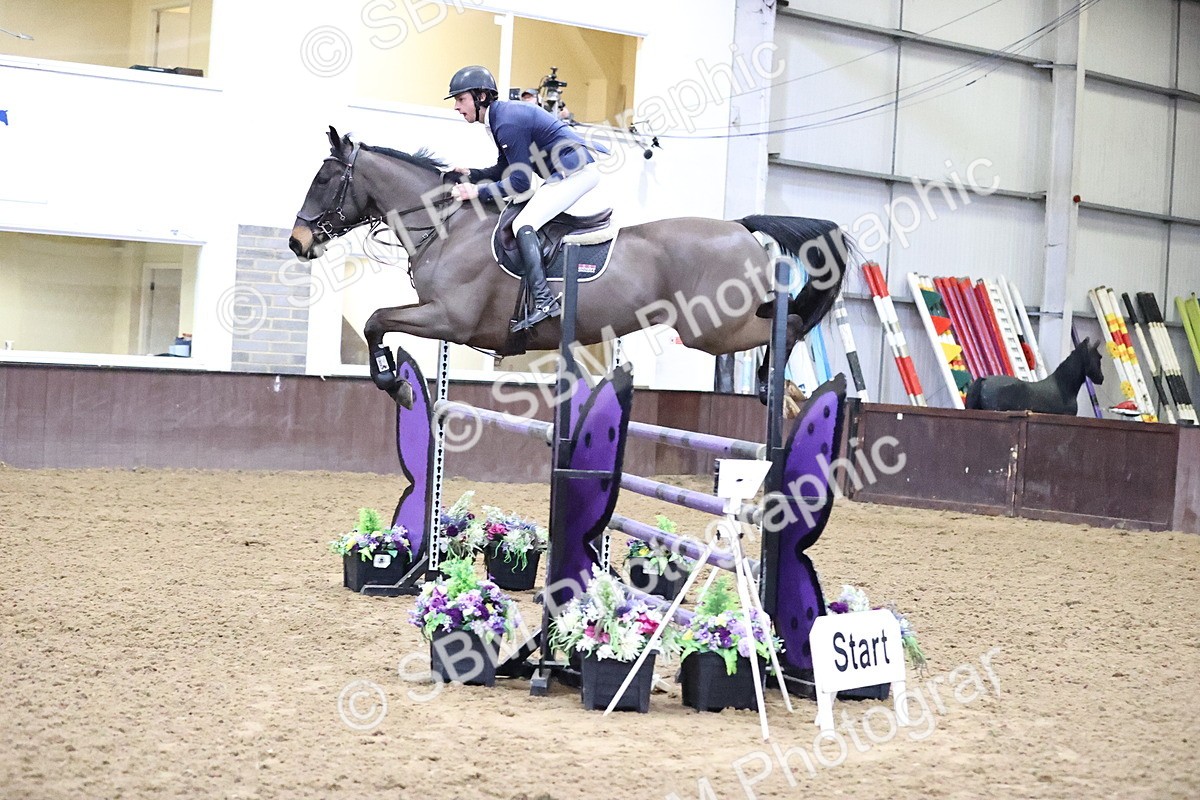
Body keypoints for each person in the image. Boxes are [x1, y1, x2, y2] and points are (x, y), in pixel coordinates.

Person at [445, 65, 607, 333]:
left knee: (523, 224)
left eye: (460, 99)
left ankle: (544, 301)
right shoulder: (498, 119)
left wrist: (476, 192)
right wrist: (471, 174)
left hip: (575, 173)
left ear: (481, 97)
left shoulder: (506, 121)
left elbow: (520, 182)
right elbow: (504, 170)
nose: (456, 107)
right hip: (563, 173)